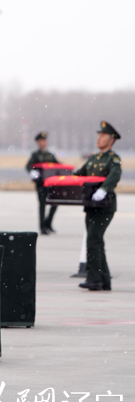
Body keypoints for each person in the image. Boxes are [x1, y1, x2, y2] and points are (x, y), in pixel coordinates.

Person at [74, 120, 122, 291]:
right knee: (96, 241)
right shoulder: (94, 158)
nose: (99, 138)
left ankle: (94, 279)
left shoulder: (113, 158)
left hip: (105, 205)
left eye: (103, 135)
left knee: (94, 239)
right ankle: (103, 280)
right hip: (91, 205)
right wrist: (62, 176)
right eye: (99, 135)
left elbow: (115, 175)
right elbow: (80, 173)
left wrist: (103, 189)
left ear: (111, 140)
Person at [25, 131, 60, 234]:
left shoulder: (50, 155)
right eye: (41, 140)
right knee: (42, 204)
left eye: (45, 140)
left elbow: (57, 165)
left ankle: (48, 223)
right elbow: (28, 166)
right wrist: (32, 172)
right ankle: (42, 227)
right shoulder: (35, 155)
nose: (44, 142)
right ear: (38, 142)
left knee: (55, 203)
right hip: (41, 183)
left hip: (51, 183)